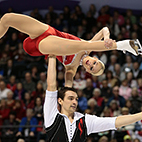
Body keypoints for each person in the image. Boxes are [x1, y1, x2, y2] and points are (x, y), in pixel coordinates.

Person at [0, 13, 142, 86]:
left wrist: (68, 91)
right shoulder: (89, 49)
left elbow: (68, 83)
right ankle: (121, 45)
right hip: (49, 31)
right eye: (95, 63)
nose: (90, 64)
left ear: (87, 71)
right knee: (7, 18)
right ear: (95, 58)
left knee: (85, 45)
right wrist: (106, 38)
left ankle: (122, 45)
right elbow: (104, 28)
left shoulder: (72, 68)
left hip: (40, 46)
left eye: (92, 68)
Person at [44, 55, 142, 142]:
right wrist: (52, 55)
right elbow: (51, 85)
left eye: (76, 99)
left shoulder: (84, 121)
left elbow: (115, 122)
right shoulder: (52, 116)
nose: (74, 102)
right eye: (70, 98)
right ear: (60, 101)